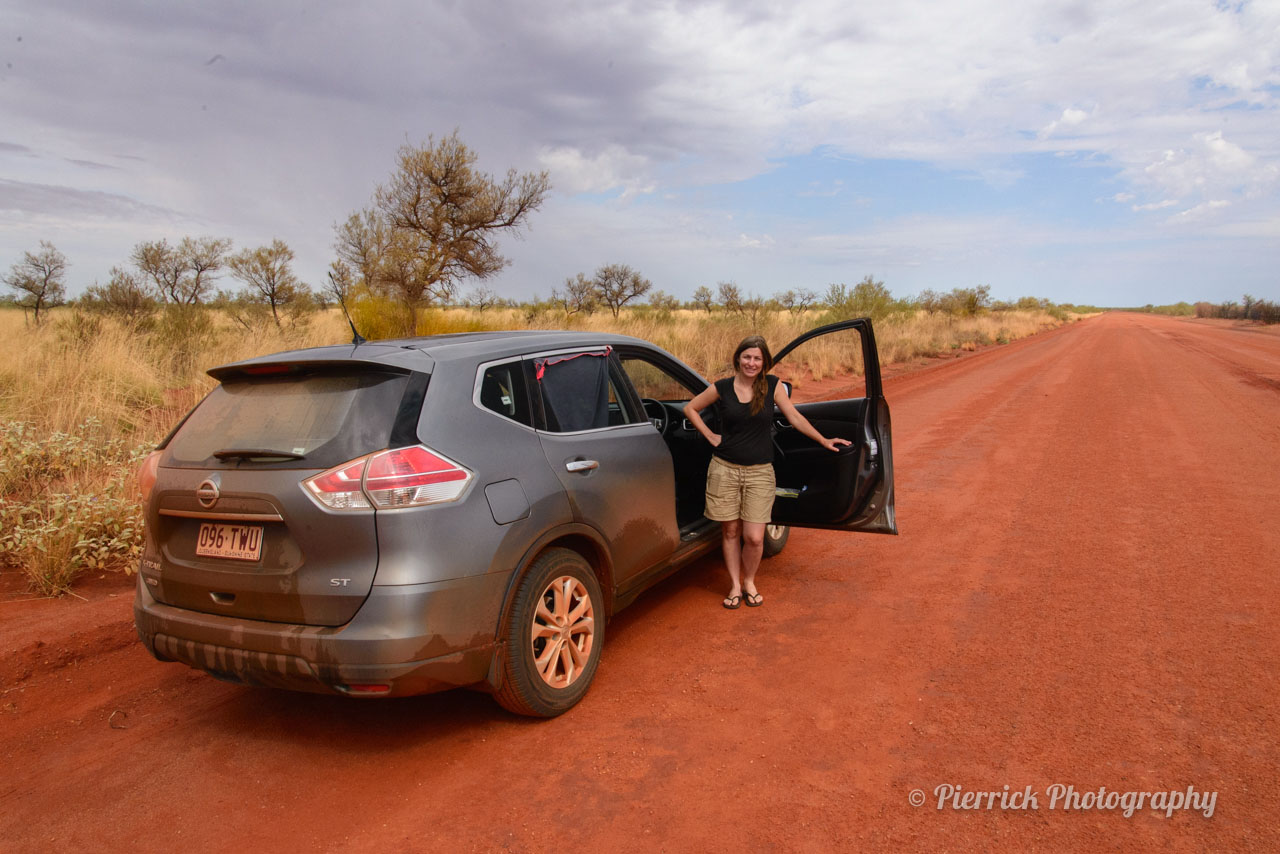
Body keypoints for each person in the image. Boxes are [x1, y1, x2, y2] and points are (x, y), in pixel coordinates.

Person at [683, 335, 851, 609]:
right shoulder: (722, 387)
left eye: (757, 358)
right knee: (729, 532)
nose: (751, 362)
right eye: (747, 357)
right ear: (738, 358)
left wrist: (823, 440)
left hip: (760, 472)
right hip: (724, 469)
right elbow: (690, 408)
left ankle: (750, 580)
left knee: (754, 537)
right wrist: (710, 436)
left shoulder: (773, 386)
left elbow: (794, 417)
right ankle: (736, 586)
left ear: (765, 363)